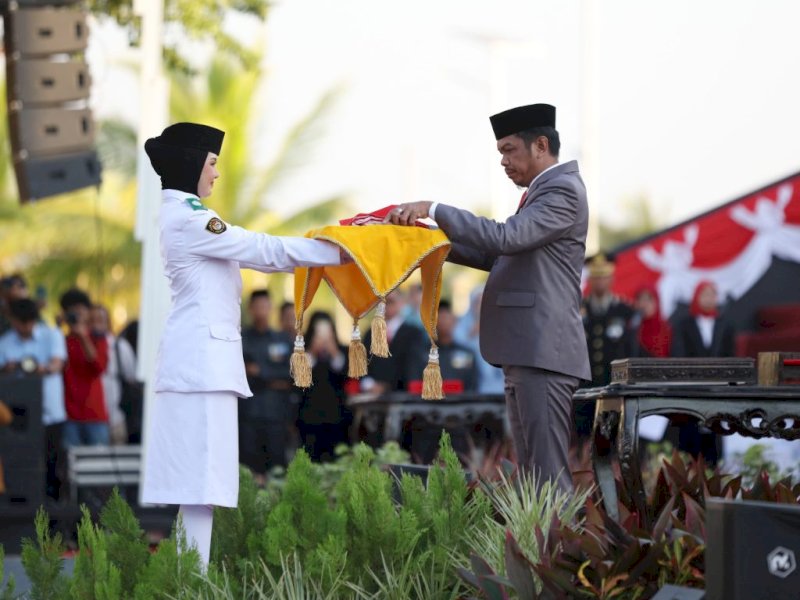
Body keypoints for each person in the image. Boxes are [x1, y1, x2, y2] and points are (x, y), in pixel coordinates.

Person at [139, 122, 344, 568]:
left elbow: (262, 257)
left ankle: (188, 579)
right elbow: (262, 250)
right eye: (212, 163)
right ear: (192, 163)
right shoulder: (190, 218)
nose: (216, 174)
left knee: (200, 487)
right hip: (199, 369)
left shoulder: (186, 213)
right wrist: (343, 252)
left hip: (201, 366)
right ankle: (192, 582)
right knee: (199, 486)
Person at [387, 103, 590, 493]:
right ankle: (542, 550)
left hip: (542, 351)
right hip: (527, 351)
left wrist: (435, 208)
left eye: (509, 150)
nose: (503, 161)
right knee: (534, 476)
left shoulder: (562, 189)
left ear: (541, 145)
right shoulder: (542, 192)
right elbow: (497, 255)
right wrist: (431, 239)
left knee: (548, 476)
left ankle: (563, 551)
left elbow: (504, 237)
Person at [0, 298, 67, 500]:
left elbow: (57, 364)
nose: (25, 326)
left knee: (53, 469)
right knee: (21, 468)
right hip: (18, 419)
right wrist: (8, 369)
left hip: (51, 416)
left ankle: (55, 519)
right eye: (21, 322)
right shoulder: (5, 342)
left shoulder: (52, 335)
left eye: (29, 321)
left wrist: (41, 369)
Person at [669, 280, 735, 465]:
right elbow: (678, 354)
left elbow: (730, 355)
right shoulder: (684, 325)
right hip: (692, 389)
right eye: (704, 294)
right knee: (691, 433)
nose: (708, 299)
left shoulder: (726, 325)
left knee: (714, 433)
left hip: (717, 390)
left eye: (711, 294)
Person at [240, 290, 293, 475]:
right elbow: (240, 373)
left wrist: (260, 372)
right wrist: (273, 379)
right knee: (248, 469)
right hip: (248, 415)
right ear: (250, 309)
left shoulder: (282, 339)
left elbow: (290, 375)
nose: (261, 311)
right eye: (257, 306)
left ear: (271, 308)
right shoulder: (241, 339)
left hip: (275, 416)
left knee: (277, 469)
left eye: (265, 306)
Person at [296, 311, 350, 461]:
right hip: (310, 417)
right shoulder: (301, 351)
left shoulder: (342, 350)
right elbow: (299, 377)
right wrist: (312, 351)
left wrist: (333, 351)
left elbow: (347, 374)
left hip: (337, 417)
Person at [61, 288, 110, 447]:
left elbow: (99, 367)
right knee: (71, 466)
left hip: (94, 415)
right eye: (71, 310)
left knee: (97, 467)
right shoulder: (61, 340)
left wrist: (83, 336)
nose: (76, 313)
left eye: (80, 309)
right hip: (69, 415)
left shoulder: (98, 338)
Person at [362, 289, 428, 393]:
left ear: (401, 303)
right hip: (374, 399)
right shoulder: (370, 334)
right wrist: (369, 384)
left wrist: (388, 386)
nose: (385, 306)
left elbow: (414, 368)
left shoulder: (414, 334)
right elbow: (363, 365)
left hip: (403, 397)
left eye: (390, 302)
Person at [91, 304, 136, 445]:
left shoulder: (120, 347)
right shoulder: (84, 346)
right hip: (93, 420)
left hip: (116, 416)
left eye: (100, 320)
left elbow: (131, 376)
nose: (96, 325)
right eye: (92, 320)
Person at [453, 285, 505, 394]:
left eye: (484, 302)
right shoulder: (462, 324)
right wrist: (471, 334)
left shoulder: (499, 323)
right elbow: (456, 350)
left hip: (497, 382)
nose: (480, 306)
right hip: (472, 379)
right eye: (477, 302)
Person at [435, 300, 478, 392]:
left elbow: (471, 385)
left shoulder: (466, 354)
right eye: (440, 317)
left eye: (447, 317)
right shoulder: (422, 353)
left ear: (454, 321)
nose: (444, 322)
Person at [632, 285, 672, 358]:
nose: (644, 304)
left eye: (649, 299)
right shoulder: (632, 328)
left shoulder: (667, 329)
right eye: (640, 299)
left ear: (656, 302)